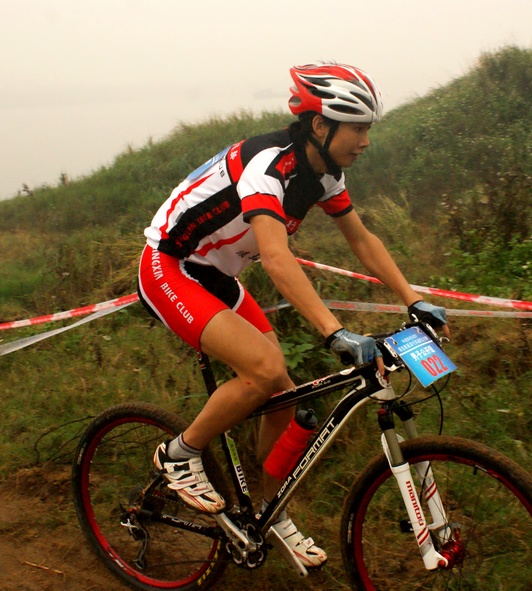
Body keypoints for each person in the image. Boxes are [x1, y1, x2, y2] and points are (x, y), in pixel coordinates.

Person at [137, 62, 449, 568]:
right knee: (263, 370)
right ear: (320, 125)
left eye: (368, 128)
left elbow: (362, 239)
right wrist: (334, 332)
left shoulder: (324, 174)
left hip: (217, 274)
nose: (365, 141)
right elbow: (276, 258)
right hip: (170, 265)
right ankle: (179, 454)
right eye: (357, 128)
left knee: (281, 390)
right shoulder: (268, 165)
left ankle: (269, 510)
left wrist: (412, 299)